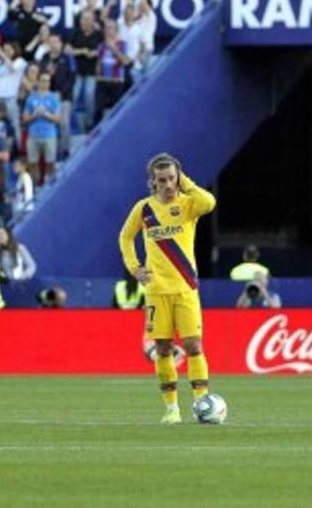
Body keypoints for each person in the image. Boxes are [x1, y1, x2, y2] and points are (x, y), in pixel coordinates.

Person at [118, 153, 216, 424]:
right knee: (163, 348)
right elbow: (126, 237)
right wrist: (135, 268)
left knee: (194, 345)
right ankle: (172, 409)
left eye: (172, 178)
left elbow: (210, 202)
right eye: (162, 180)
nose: (168, 184)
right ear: (153, 181)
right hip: (156, 290)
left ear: (178, 177)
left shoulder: (188, 204)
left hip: (186, 287)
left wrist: (186, 182)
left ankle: (201, 402)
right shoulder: (144, 208)